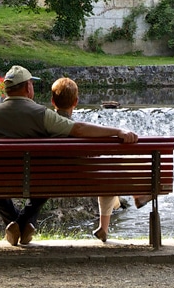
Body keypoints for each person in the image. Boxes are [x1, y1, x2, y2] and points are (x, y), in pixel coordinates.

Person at [0, 65, 139, 246]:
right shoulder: (40, 114)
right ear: (28, 87)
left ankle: (14, 223)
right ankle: (23, 222)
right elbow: (78, 128)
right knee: (48, 176)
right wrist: (117, 131)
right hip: (36, 179)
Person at [50, 76, 121, 242]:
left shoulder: (46, 127)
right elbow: (93, 157)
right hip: (83, 181)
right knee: (110, 182)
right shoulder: (82, 132)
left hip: (47, 180)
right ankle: (103, 227)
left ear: (52, 101)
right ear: (76, 102)